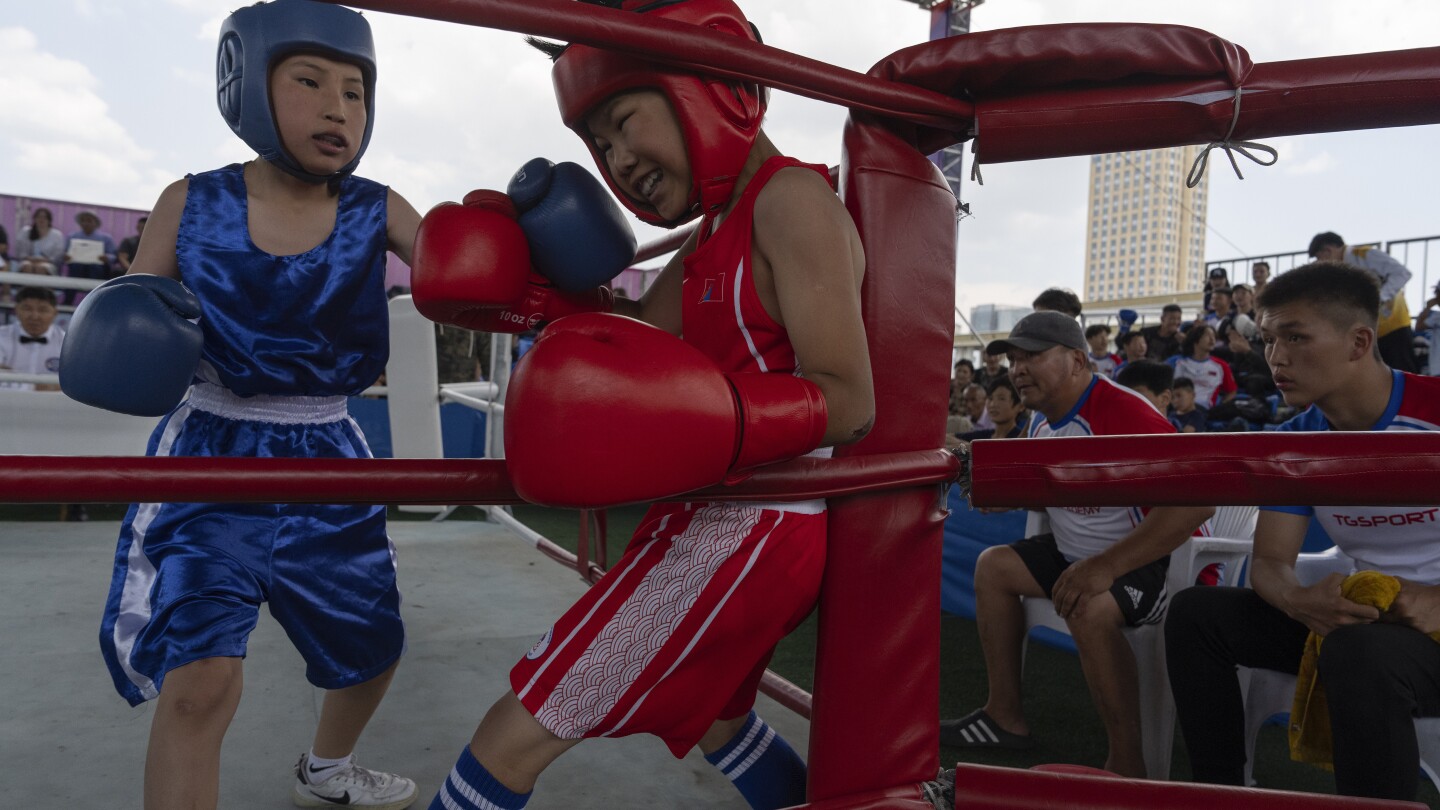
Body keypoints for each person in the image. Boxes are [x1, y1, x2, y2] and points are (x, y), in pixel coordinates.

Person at [422, 2, 875, 808]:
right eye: (598, 144)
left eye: (625, 120)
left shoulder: (790, 201)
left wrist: (721, 419)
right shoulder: (712, 238)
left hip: (753, 528)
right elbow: (634, 340)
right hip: (712, 517)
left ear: (715, 85)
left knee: (513, 732)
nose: (618, 158)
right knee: (720, 723)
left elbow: (850, 399)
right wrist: (534, 303)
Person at [70, 2, 422, 808]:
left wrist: (526, 249)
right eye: (309, 81)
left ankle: (329, 769)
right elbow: (137, 315)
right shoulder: (190, 200)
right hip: (211, 454)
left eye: (356, 91)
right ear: (249, 86)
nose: (338, 106)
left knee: (373, 647)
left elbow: (470, 272)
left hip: (327, 451)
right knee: (199, 682)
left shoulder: (379, 207)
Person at [1166, 261, 1440, 802]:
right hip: (1374, 624)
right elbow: (1270, 561)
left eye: (1295, 337)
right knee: (1198, 613)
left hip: (1400, 641)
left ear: (1359, 341)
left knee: (1357, 653)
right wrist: (1299, 601)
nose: (1276, 358)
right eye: (1268, 340)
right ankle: (1222, 794)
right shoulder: (1297, 439)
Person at [938, 311, 1212, 777]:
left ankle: (1128, 766)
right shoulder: (1043, 421)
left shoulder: (1122, 411)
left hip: (1153, 560)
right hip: (1078, 553)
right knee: (994, 567)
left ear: (1079, 361)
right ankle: (1005, 717)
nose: (1018, 368)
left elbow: (1198, 503)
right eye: (1014, 359)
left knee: (1088, 602)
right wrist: (1001, 495)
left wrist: (1105, 566)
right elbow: (1048, 486)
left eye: (1033, 356)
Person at [1309, 231, 1418, 373]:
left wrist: (1380, 298)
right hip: (1371, 331)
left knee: (1404, 373)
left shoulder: (1365, 254)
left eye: (1319, 257)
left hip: (1394, 324)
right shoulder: (1340, 271)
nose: (1319, 262)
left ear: (1327, 250)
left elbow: (1402, 273)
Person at [0, 285, 64, 391]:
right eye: (27, 309)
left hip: (53, 405)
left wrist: (12, 377)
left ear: (55, 313)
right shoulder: (1, 335)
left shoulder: (68, 343)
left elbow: (77, 380)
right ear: (16, 310)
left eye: (43, 310)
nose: (34, 316)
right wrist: (39, 387)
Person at [1167, 323, 1237, 409]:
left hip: (1204, 411)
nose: (1212, 340)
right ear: (1195, 340)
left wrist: (1220, 407)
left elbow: (1231, 392)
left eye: (1214, 336)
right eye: (1207, 336)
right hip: (1175, 409)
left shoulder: (1221, 366)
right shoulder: (1175, 362)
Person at [63, 210, 119, 303]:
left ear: (95, 223)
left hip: (97, 268)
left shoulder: (106, 238)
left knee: (94, 268)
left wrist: (106, 257)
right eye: (83, 221)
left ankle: (94, 302)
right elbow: (65, 254)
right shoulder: (72, 236)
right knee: (76, 268)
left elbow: (113, 256)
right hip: (76, 267)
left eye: (89, 220)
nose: (85, 223)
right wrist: (66, 257)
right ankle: (68, 301)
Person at [958, 376, 1031, 441]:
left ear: (1021, 406)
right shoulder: (985, 435)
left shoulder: (1021, 439)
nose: (993, 404)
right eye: (990, 398)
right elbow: (950, 438)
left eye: (1001, 399)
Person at [10, 207, 66, 275]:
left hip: (48, 263)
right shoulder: (25, 231)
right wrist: (30, 259)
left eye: (45, 217)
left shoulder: (57, 235)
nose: (41, 219)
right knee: (27, 266)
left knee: (41, 268)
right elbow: (20, 251)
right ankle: (27, 285)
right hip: (27, 261)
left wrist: (44, 260)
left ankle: (40, 285)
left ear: (49, 220)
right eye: (39, 217)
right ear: (34, 219)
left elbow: (58, 255)